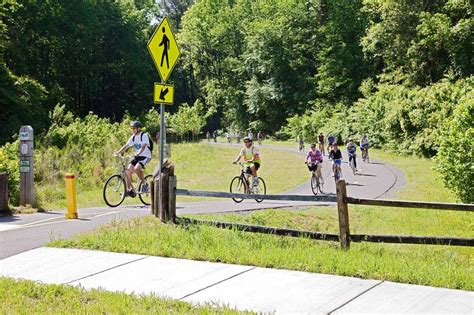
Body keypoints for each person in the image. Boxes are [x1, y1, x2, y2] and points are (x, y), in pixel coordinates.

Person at [115, 121, 152, 197]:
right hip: (137, 156)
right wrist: (118, 152)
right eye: (132, 128)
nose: (133, 130)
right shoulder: (133, 137)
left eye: (134, 128)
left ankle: (145, 184)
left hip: (145, 156)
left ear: (138, 128)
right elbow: (126, 146)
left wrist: (138, 153)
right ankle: (129, 190)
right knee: (128, 171)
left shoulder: (144, 135)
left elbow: (144, 146)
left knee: (136, 168)